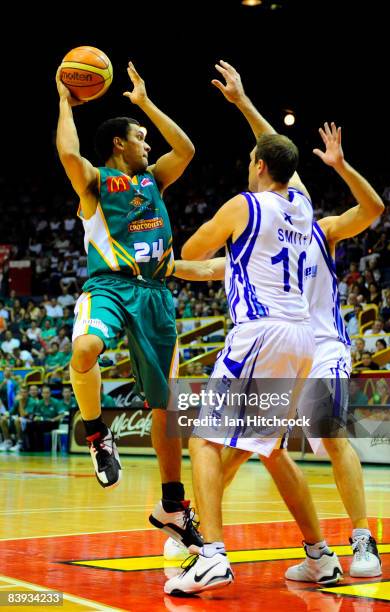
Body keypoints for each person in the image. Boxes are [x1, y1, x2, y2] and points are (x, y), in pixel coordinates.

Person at [169, 61, 384, 589]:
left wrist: (165, 255)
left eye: (253, 161)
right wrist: (243, 102)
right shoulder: (299, 210)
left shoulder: (309, 220)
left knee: (213, 436)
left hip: (299, 339)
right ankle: (318, 553)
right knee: (267, 447)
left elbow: (365, 204)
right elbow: (276, 158)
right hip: (297, 342)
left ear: (260, 168)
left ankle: (215, 549)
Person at [56, 61, 202, 549]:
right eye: (141, 136)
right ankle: (98, 434)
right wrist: (64, 100)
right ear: (119, 143)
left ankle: (175, 506)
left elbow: (186, 149)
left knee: (166, 407)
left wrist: (144, 105)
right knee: (84, 348)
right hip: (110, 286)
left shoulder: (155, 180)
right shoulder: (95, 184)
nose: (149, 144)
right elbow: (68, 152)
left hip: (158, 295)